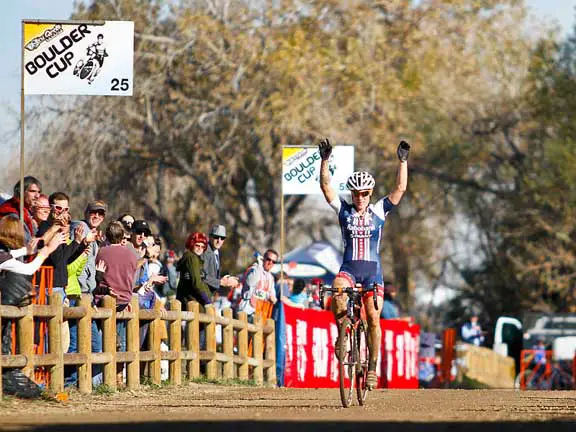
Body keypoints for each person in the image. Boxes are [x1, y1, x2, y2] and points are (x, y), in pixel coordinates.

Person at [318, 137, 409, 390]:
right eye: (356, 193)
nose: (360, 197)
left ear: (370, 194)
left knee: (372, 318)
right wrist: (324, 161)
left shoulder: (379, 210)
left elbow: (400, 189)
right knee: (337, 290)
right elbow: (326, 188)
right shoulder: (344, 210)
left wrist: (402, 161)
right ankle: (342, 335)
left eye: (365, 193)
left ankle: (371, 368)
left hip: (372, 273)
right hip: (348, 269)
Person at [238, 249, 278, 321]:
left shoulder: (271, 278)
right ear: (263, 259)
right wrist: (259, 266)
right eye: (268, 259)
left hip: (260, 313)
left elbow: (272, 296)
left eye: (273, 262)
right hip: (247, 311)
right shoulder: (253, 269)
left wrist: (275, 300)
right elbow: (251, 282)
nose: (270, 263)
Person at [176, 232, 212, 309]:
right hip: (194, 303)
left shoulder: (194, 258)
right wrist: (207, 301)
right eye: (197, 245)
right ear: (192, 244)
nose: (200, 248)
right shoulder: (192, 258)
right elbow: (197, 283)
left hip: (191, 301)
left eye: (203, 247)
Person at [0, 176, 42, 242]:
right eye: (33, 191)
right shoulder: (11, 212)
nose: (37, 196)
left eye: (39, 192)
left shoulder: (27, 212)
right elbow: (24, 243)